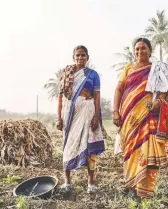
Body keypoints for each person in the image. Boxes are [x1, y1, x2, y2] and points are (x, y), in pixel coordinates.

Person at [113, 37, 168, 199]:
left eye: (143, 48)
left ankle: (146, 190)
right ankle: (131, 185)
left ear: (150, 50)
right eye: (137, 49)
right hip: (129, 118)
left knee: (149, 152)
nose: (140, 52)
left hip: (149, 116)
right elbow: (119, 90)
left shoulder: (158, 69)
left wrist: (159, 104)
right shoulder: (128, 69)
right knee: (131, 151)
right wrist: (115, 111)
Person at [56, 45, 105, 194]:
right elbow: (60, 98)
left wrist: (96, 116)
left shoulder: (93, 75)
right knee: (67, 146)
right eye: (77, 55)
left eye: (83, 55)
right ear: (73, 57)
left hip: (87, 113)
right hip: (69, 115)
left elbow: (96, 97)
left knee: (89, 147)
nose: (80, 58)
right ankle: (67, 182)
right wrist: (58, 117)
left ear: (87, 58)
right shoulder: (65, 74)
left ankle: (91, 183)